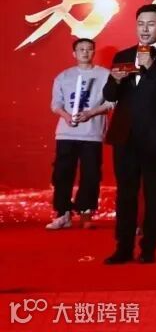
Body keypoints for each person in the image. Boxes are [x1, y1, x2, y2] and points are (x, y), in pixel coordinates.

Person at [102, 4, 156, 265]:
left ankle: (149, 247)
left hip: (155, 136)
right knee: (125, 194)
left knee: (154, 194)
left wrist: (152, 67)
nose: (145, 29)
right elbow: (109, 95)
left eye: (150, 24)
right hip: (125, 134)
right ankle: (123, 247)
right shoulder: (124, 55)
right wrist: (115, 80)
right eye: (140, 23)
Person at [46, 38, 110, 231]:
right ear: (74, 53)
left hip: (92, 133)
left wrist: (90, 113)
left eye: (89, 49)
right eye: (81, 49)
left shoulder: (104, 75)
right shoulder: (64, 76)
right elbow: (56, 104)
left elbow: (111, 102)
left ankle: (86, 212)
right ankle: (63, 213)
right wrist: (66, 116)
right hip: (66, 134)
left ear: (94, 52)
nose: (85, 52)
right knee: (62, 174)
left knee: (91, 174)